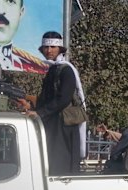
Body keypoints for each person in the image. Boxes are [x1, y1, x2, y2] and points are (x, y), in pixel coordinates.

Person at [21, 31, 83, 175]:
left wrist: (40, 112)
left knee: (61, 165)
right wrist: (31, 106)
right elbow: (48, 99)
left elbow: (63, 99)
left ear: (60, 49)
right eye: (46, 47)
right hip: (53, 123)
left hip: (63, 126)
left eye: (53, 47)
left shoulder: (66, 70)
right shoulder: (52, 69)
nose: (49, 50)